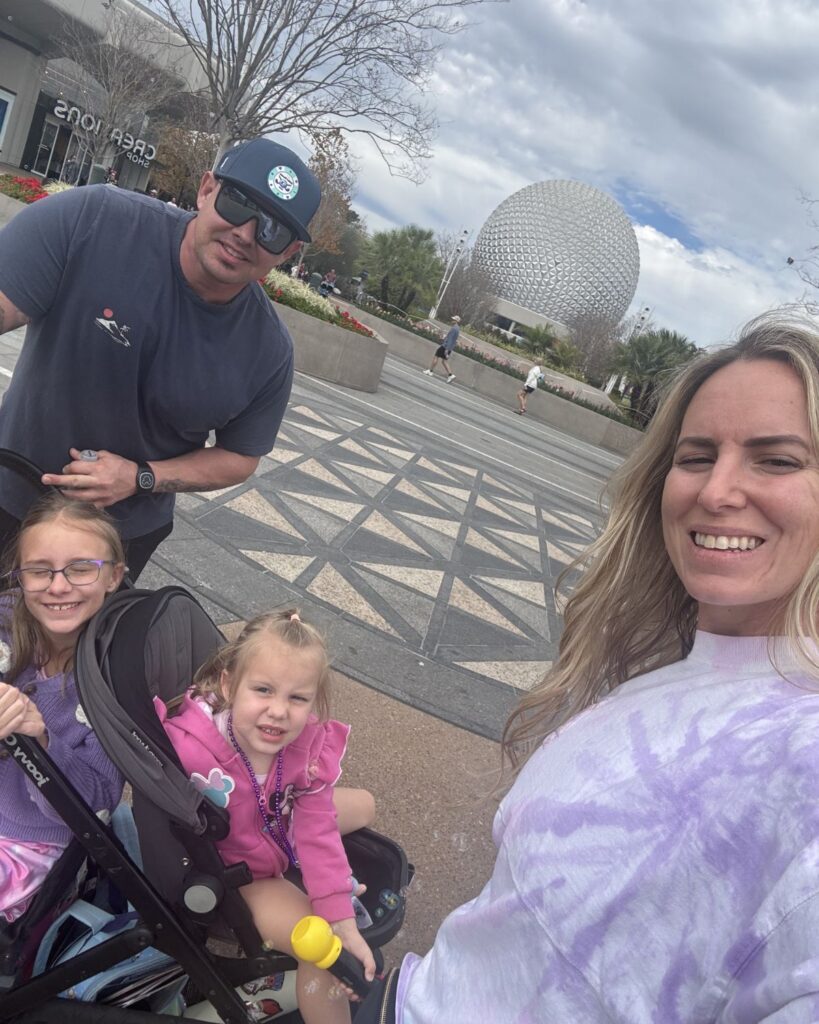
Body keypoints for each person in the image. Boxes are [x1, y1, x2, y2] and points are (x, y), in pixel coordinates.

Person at [392, 311, 819, 1022]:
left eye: (776, 459)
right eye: (695, 455)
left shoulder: (802, 753)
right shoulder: (672, 668)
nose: (716, 491)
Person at [0, 138, 320, 581]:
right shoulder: (94, 219)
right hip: (8, 489)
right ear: (206, 189)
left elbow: (240, 457)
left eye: (273, 230)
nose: (245, 233)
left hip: (115, 542)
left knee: (67, 652)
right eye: (237, 202)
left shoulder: (269, 351)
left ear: (286, 254)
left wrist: (139, 477)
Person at [160, 609, 376, 1024]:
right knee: (323, 942)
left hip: (277, 823)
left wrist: (336, 899)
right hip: (241, 874)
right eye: (263, 690)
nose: (279, 711)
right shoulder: (190, 749)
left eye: (298, 698)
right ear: (229, 684)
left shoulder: (304, 747)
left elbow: (317, 830)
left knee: (364, 803)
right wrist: (338, 922)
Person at [0, 493, 126, 921]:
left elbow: (97, 802)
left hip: (27, 844)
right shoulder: (5, 622)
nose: (58, 586)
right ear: (20, 575)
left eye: (80, 569)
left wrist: (43, 741)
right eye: (40, 571)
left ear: (114, 576)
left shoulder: (113, 681)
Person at [423, 315, 460, 382]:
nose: (452, 320)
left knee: (436, 356)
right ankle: (450, 375)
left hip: (445, 347)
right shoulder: (457, 328)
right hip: (449, 347)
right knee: (444, 361)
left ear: (456, 321)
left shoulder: (454, 329)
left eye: (453, 319)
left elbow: (451, 339)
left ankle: (430, 371)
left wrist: (446, 349)